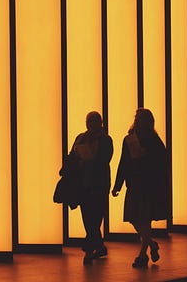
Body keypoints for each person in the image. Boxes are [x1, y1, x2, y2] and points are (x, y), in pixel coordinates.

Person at [112, 108, 171, 267]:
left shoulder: (152, 140)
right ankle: (151, 243)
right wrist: (118, 183)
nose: (138, 120)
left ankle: (143, 253)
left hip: (147, 184)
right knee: (135, 218)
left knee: (142, 219)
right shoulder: (131, 139)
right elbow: (123, 162)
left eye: (140, 118)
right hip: (136, 184)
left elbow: (162, 162)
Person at [70, 111, 114, 264]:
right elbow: (72, 156)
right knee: (89, 218)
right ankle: (99, 246)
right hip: (85, 184)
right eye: (89, 121)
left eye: (94, 121)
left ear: (100, 122)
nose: (91, 124)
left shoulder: (105, 140)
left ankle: (89, 250)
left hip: (98, 184)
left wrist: (84, 162)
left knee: (94, 219)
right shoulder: (83, 137)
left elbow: (104, 159)